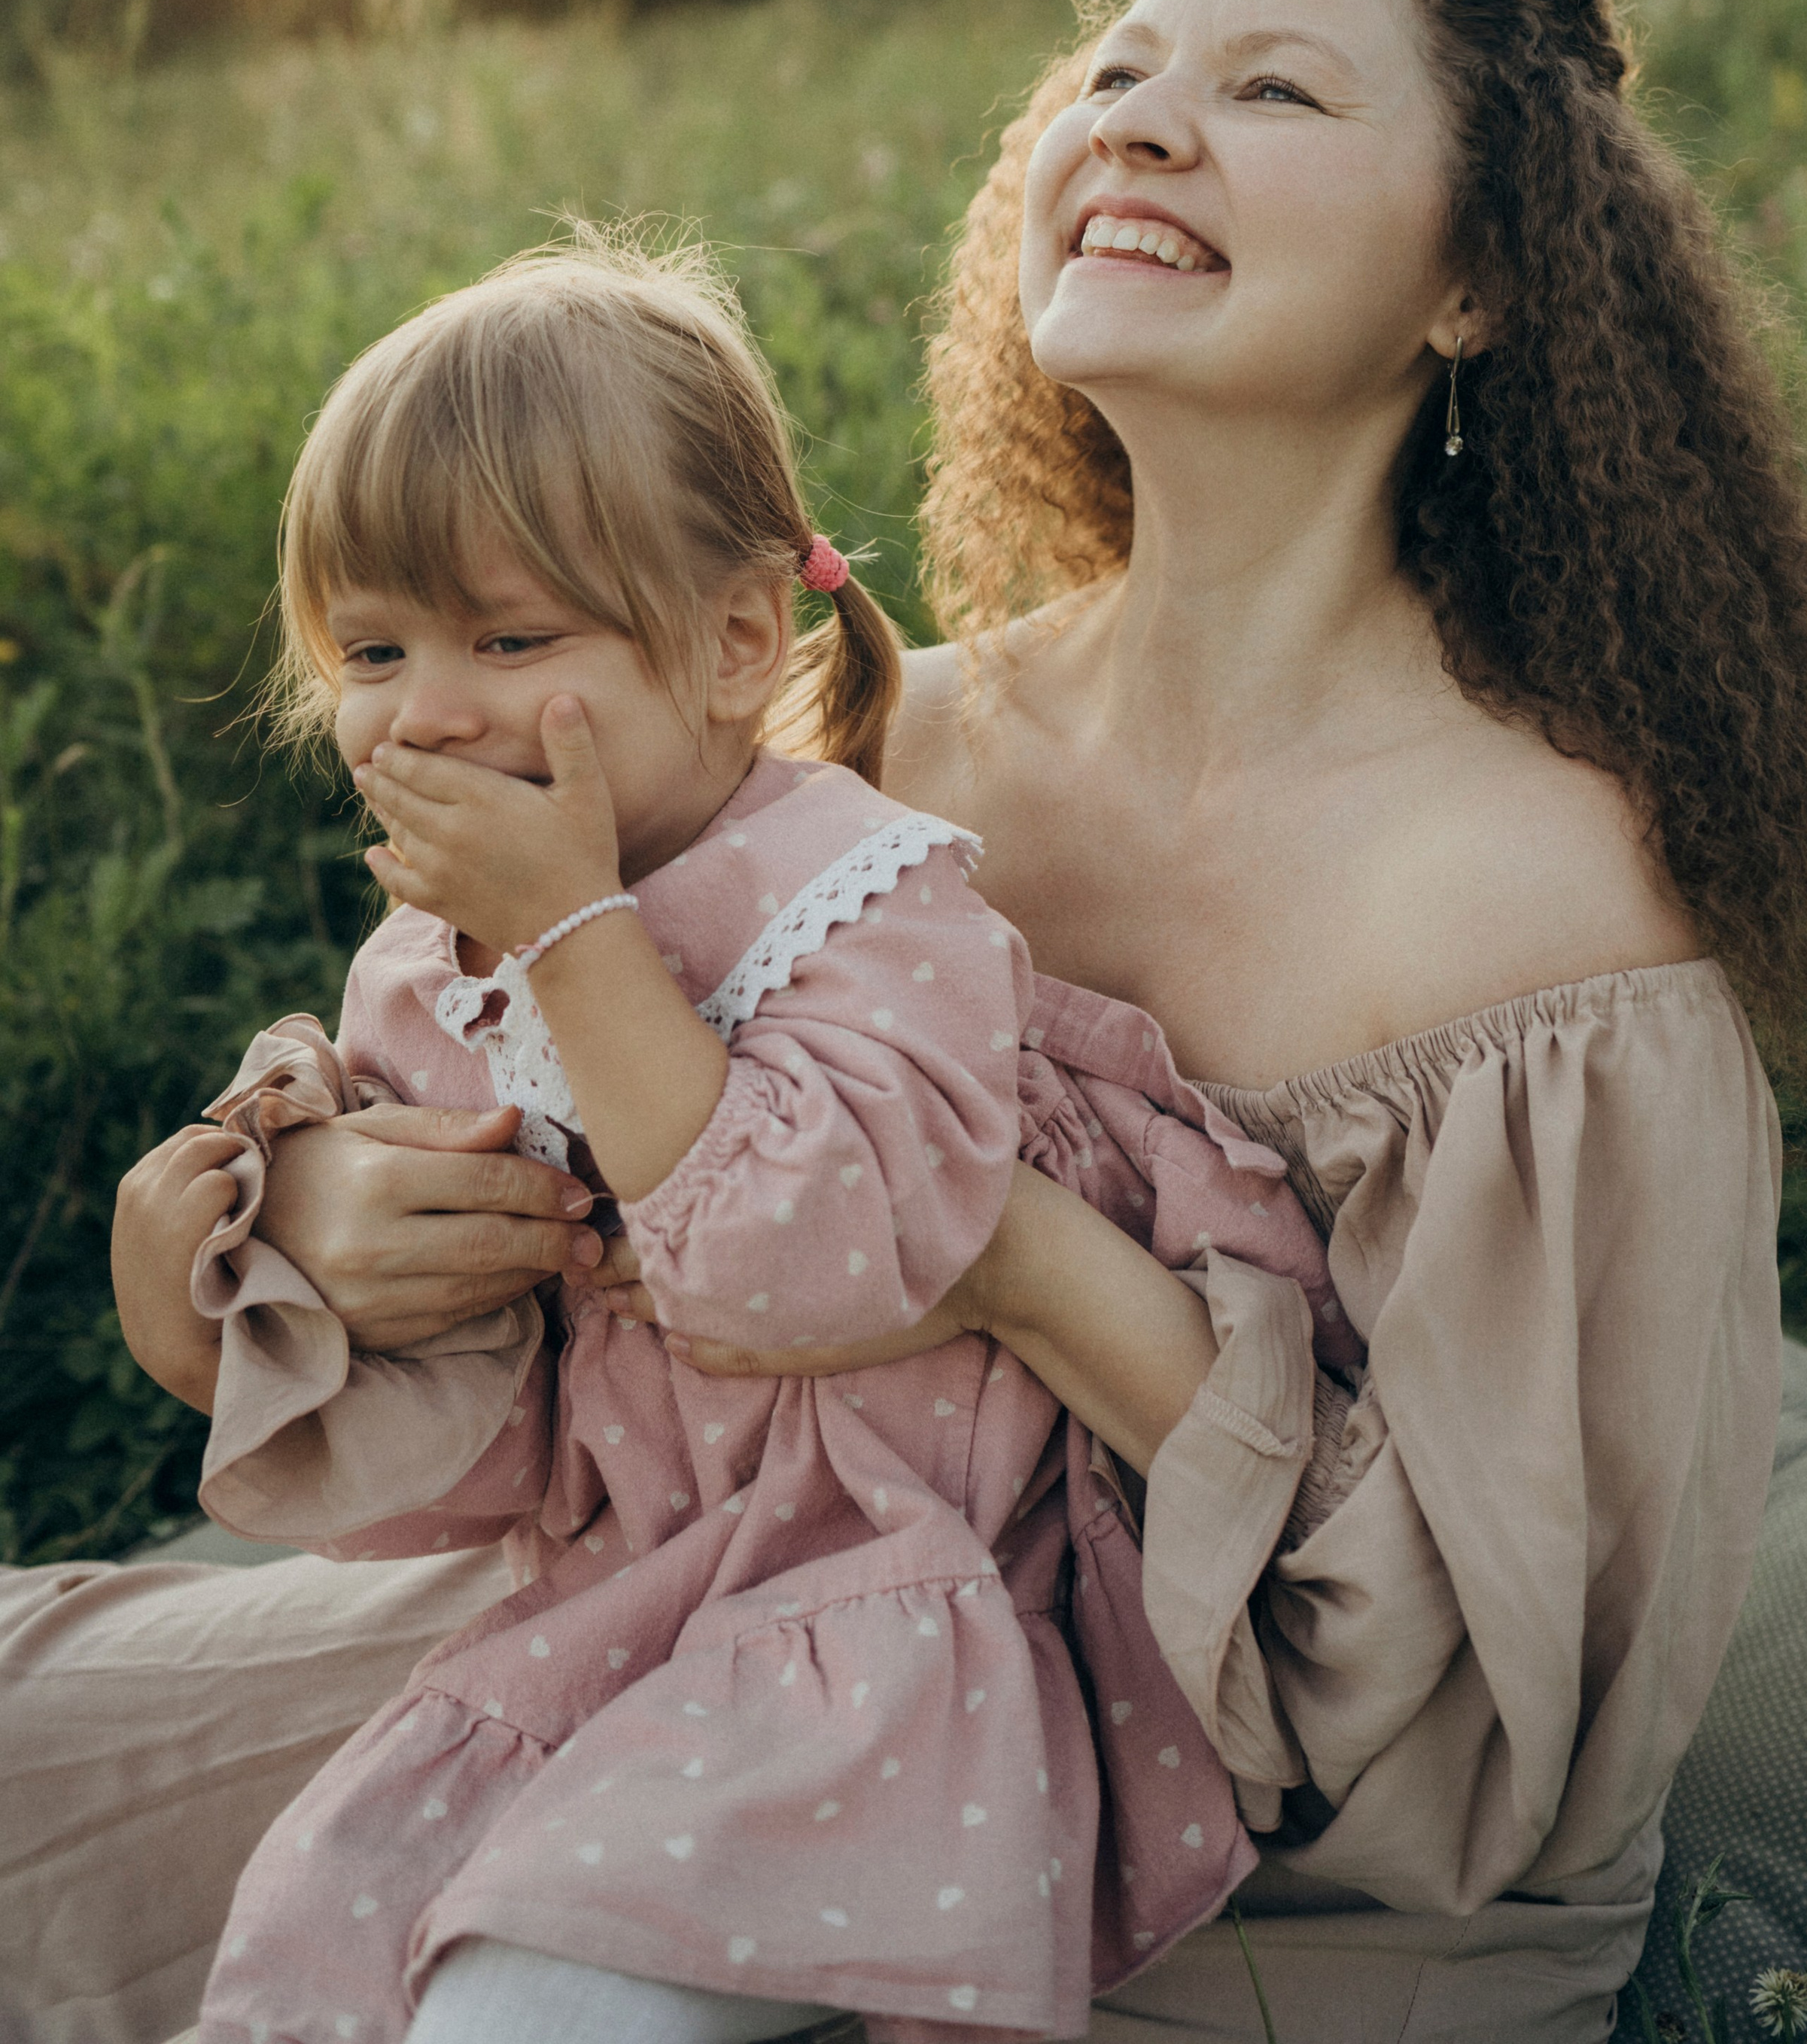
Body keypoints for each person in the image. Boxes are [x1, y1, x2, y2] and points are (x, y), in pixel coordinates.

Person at [47, 0, 1807, 2044]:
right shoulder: (863, 736)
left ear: (1479, 279)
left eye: (1273, 88)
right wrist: (332, 1203)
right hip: (684, 1623)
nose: (1139, 120)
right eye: (1118, 69)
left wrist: (995, 1249)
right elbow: (549, 1111)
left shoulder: (1552, 903)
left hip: (1244, 1878)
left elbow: (1476, 1733)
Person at [181, 236, 1355, 2044]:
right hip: (614, 1611)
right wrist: (314, 1272)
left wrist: (572, 933)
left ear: (737, 644)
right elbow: (479, 1456)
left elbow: (792, 1272)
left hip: (879, 1618)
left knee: (529, 1998)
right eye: (375, 650)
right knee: (322, 1951)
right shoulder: (431, 974)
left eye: (510, 639)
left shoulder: (861, 903)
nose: (424, 708)